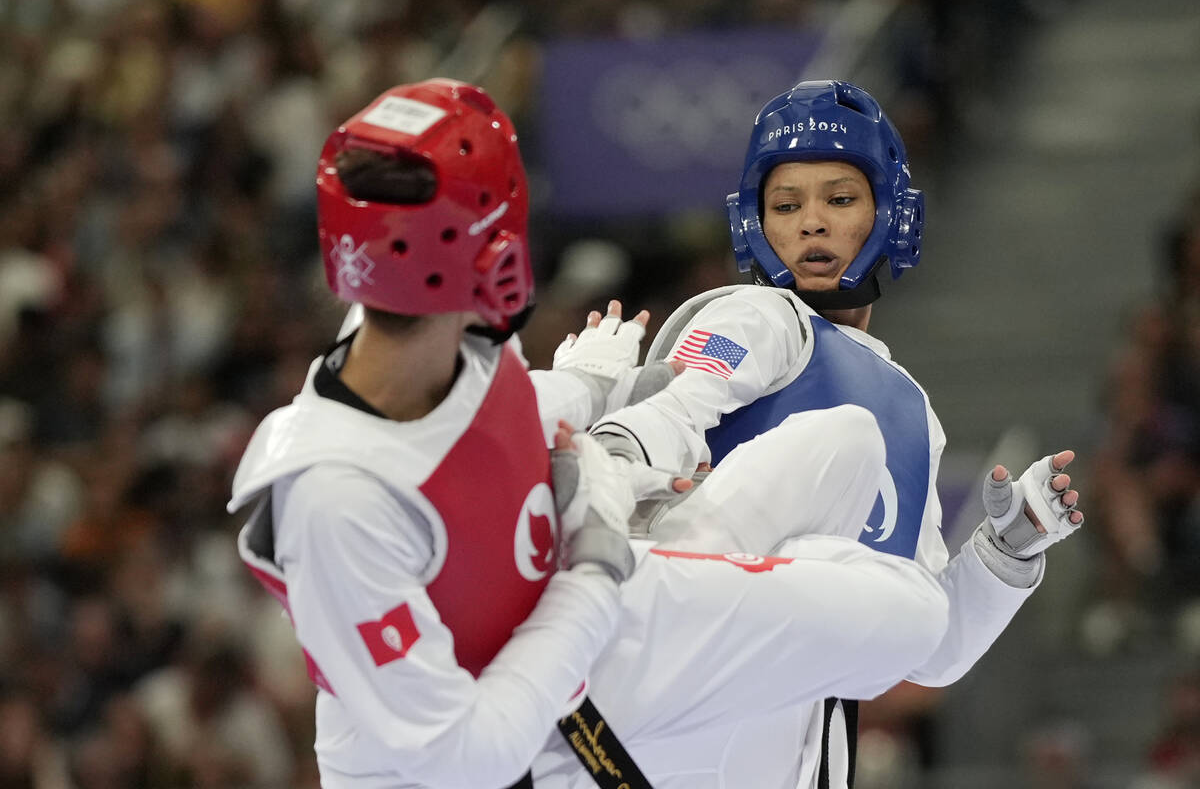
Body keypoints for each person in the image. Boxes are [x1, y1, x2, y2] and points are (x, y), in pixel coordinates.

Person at [227, 79, 957, 789]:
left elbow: (477, 426)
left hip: (579, 633)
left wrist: (586, 386)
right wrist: (593, 576)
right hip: (511, 730)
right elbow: (466, 755)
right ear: (486, 249)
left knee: (850, 454)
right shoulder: (333, 499)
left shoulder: (443, 329)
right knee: (910, 616)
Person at [588, 79, 1087, 786]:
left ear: (890, 216)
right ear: (754, 225)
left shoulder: (911, 410)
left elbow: (929, 650)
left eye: (840, 200)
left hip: (797, 748)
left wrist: (1005, 553)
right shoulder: (754, 319)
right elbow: (677, 401)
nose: (811, 224)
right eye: (786, 205)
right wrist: (605, 465)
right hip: (679, 707)